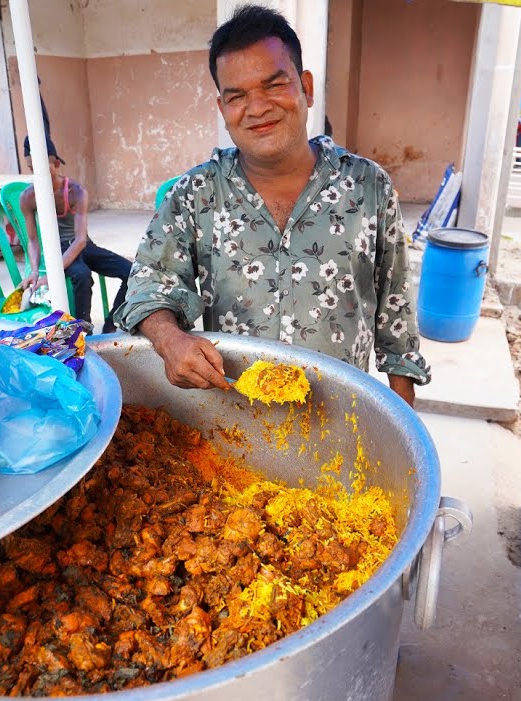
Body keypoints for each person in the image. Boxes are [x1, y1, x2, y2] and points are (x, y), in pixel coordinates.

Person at [112, 4, 429, 405]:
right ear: (222, 108)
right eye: (237, 96)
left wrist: (404, 421)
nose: (258, 108)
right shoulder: (196, 193)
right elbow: (148, 284)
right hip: (236, 425)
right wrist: (170, 339)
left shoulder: (368, 186)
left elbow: (396, 311)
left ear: (306, 88)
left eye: (274, 85)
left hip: (344, 421)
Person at [18, 136, 132, 333]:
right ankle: (81, 330)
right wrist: (35, 271)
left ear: (55, 164)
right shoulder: (28, 196)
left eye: (42, 167)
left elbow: (80, 240)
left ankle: (111, 324)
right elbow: (33, 240)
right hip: (58, 247)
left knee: (130, 271)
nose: (37, 174)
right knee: (82, 275)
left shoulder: (76, 192)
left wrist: (52, 276)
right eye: (31, 168)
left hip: (83, 244)